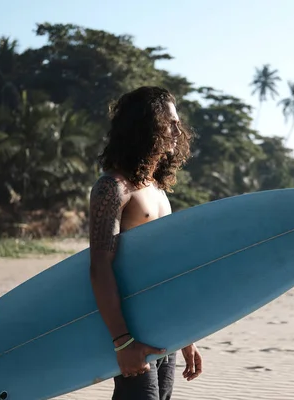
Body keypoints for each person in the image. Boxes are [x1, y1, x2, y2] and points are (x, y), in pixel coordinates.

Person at [88, 86, 203, 400]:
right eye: (169, 123)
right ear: (145, 128)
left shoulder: (156, 189)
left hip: (166, 327)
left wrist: (186, 336)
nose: (178, 130)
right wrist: (122, 342)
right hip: (133, 330)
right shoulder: (113, 188)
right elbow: (100, 268)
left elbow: (166, 268)